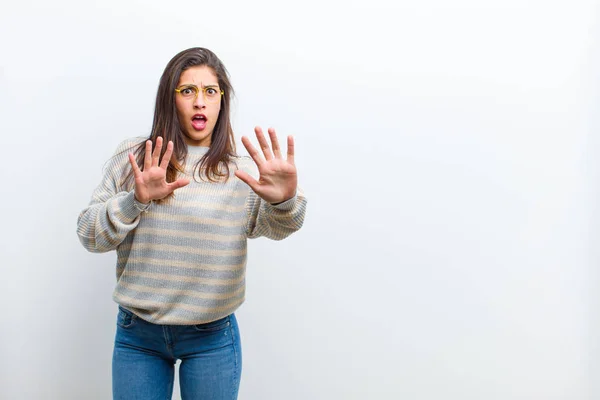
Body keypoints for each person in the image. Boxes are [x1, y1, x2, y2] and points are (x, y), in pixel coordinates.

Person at [76, 47, 307, 400]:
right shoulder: (135, 159)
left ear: (221, 101)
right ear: (170, 99)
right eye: (188, 91)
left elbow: (280, 226)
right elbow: (89, 234)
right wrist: (135, 200)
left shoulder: (240, 172)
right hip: (139, 336)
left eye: (210, 91)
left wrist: (282, 200)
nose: (200, 102)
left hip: (212, 338)